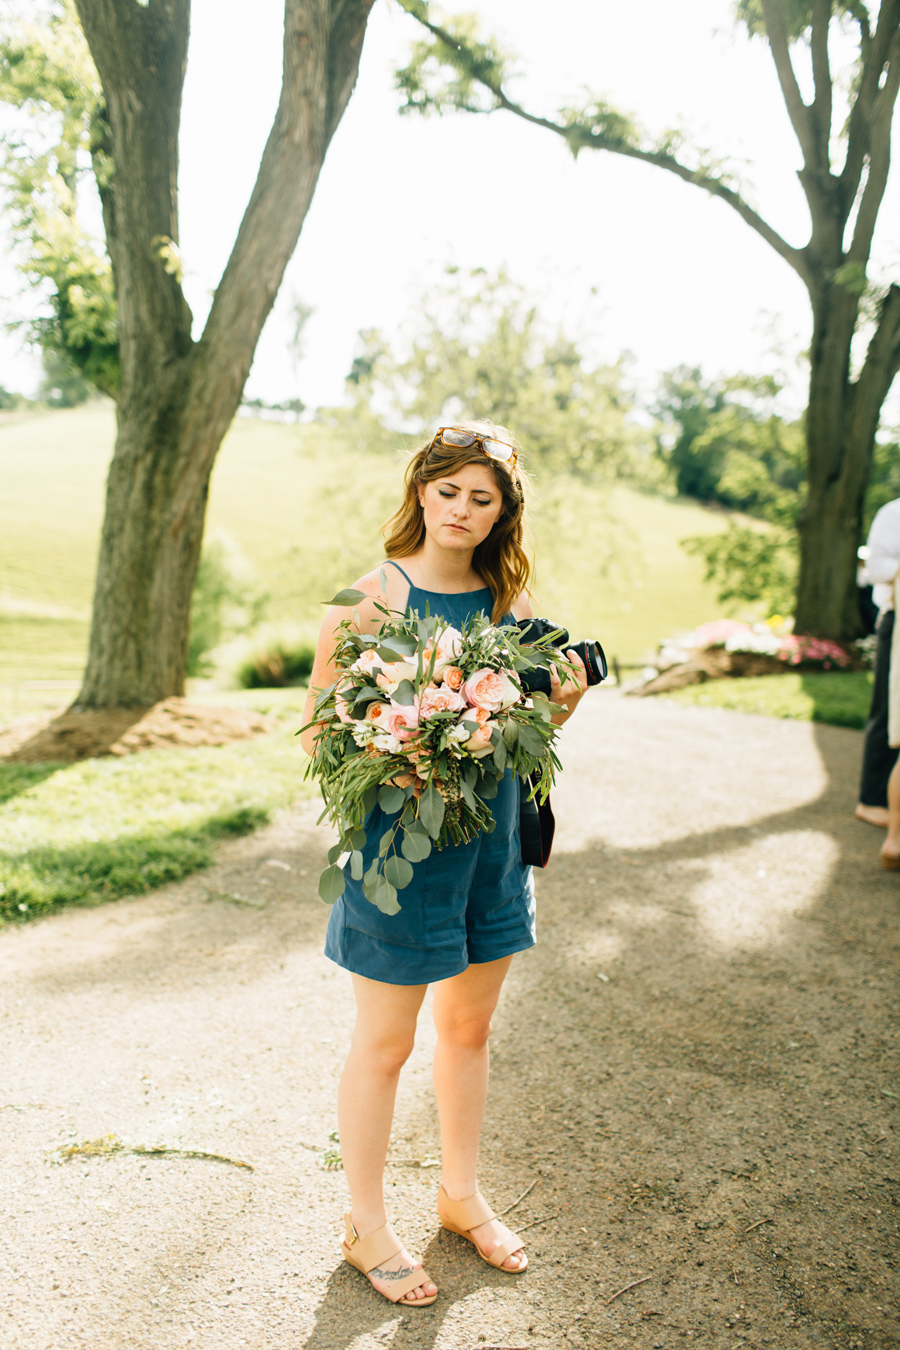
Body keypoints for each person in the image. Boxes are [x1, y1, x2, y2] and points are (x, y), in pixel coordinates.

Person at [300, 422, 588, 1307]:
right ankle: (366, 1224)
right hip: (400, 854)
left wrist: (562, 702)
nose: (463, 510)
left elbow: (526, 742)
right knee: (385, 1045)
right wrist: (402, 749)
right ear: (421, 489)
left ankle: (459, 1197)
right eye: (450, 490)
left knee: (469, 1032)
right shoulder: (368, 598)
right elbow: (317, 731)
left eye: (483, 497)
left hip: (490, 852)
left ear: (503, 511)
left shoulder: (510, 603)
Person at [856, 499, 900, 831]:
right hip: (895, 620)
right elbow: (876, 569)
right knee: (887, 710)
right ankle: (872, 800)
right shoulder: (893, 513)